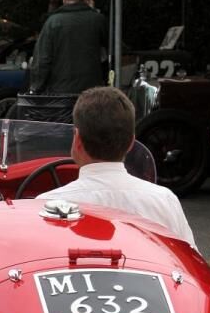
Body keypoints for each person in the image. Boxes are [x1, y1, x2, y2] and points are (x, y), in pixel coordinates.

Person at [36, 86, 197, 247]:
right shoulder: (164, 201)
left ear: (77, 139)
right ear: (130, 143)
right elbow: (190, 262)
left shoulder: (46, 206)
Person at [29, 0, 106, 96]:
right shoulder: (98, 19)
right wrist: (93, 10)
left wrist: (36, 87)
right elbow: (113, 47)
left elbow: (42, 60)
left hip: (60, 91)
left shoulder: (53, 22)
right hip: (92, 90)